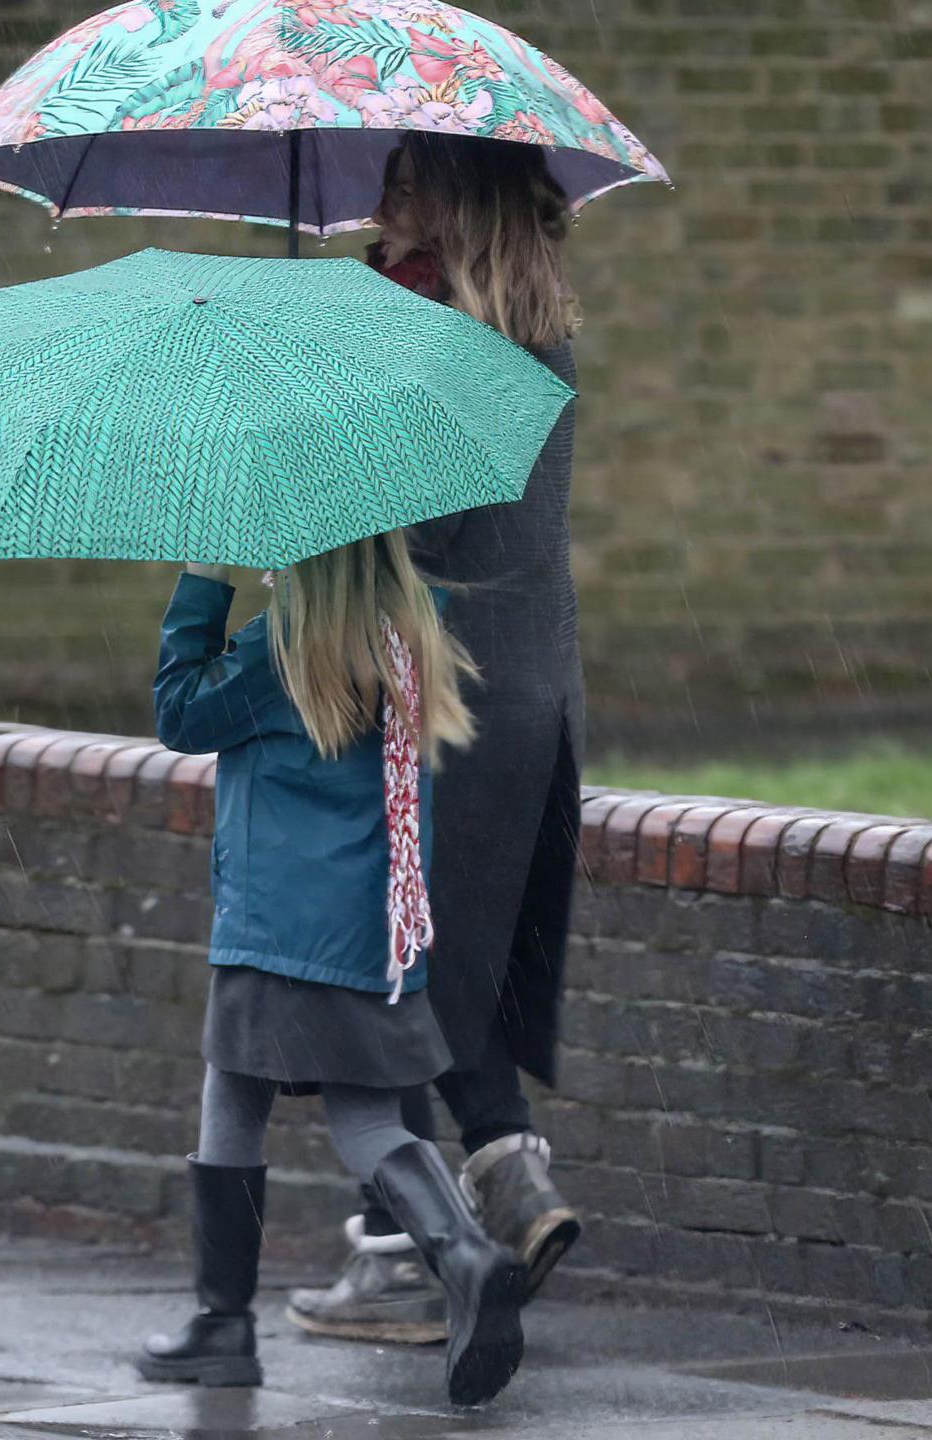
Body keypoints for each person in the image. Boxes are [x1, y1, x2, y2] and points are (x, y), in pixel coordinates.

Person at [286, 132, 585, 1345]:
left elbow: (393, 526)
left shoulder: (438, 347)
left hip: (443, 704)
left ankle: (405, 1259)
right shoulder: (530, 334)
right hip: (529, 697)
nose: (384, 201)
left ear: (460, 206)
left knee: (391, 978)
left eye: (410, 184)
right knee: (448, 970)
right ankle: (510, 1182)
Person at [137, 536, 528, 1407]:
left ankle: (226, 1323)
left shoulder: (283, 652)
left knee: (235, 1099)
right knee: (358, 1117)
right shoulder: (410, 634)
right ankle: (461, 1255)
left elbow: (178, 714)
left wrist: (206, 574)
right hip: (369, 925)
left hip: (279, 922)